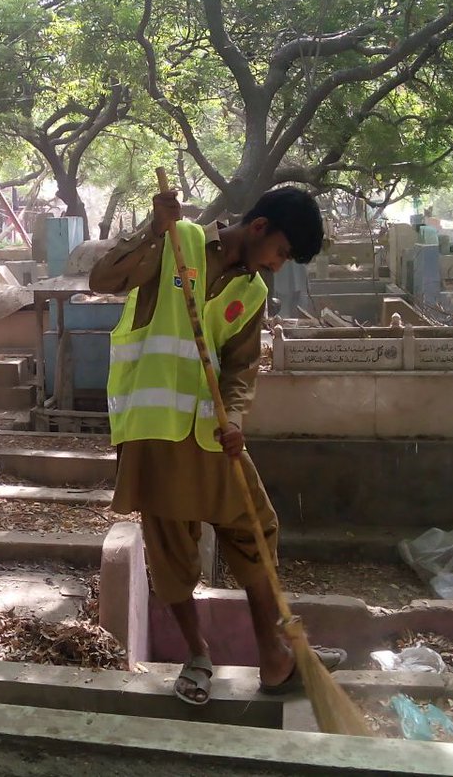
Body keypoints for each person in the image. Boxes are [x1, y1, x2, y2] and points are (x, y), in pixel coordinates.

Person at [89, 186, 343, 705]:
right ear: (258, 227)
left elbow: (243, 366)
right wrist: (152, 230)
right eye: (281, 252)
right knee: (171, 545)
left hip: (210, 431)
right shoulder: (177, 243)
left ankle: (274, 654)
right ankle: (197, 655)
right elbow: (104, 278)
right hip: (152, 425)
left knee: (254, 525)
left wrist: (237, 416)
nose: (277, 266)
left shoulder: (252, 292)